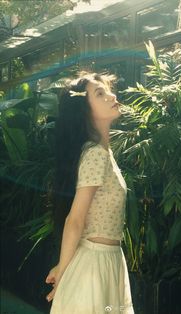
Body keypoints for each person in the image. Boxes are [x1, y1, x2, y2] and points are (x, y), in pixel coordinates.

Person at [45, 72, 134, 314]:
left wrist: (64, 265)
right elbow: (75, 220)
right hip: (94, 268)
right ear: (84, 110)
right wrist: (64, 273)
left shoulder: (104, 154)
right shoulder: (95, 153)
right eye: (100, 93)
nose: (112, 95)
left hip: (106, 262)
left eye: (108, 89)